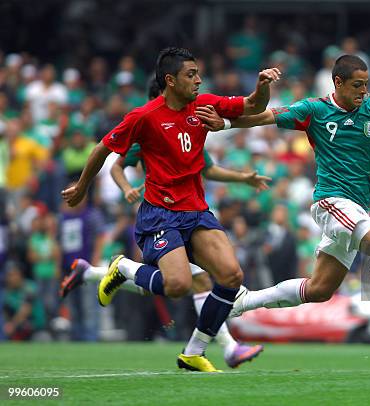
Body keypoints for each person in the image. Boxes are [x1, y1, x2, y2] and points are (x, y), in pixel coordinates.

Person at [198, 55, 370, 357]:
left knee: (319, 290)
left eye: (366, 84)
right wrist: (225, 123)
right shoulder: (314, 109)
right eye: (357, 85)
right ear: (337, 82)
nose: (363, 91)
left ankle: (243, 302)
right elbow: (266, 116)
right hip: (331, 201)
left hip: (357, 207)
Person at [62, 47, 281, 372]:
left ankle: (194, 351)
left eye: (198, 73)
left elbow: (251, 106)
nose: (198, 79)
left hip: (196, 211)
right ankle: (123, 269)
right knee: (178, 286)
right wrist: (81, 187)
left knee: (231, 276)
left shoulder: (204, 105)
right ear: (170, 80)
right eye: (191, 74)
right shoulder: (144, 117)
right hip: (161, 214)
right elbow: (102, 150)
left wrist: (262, 85)